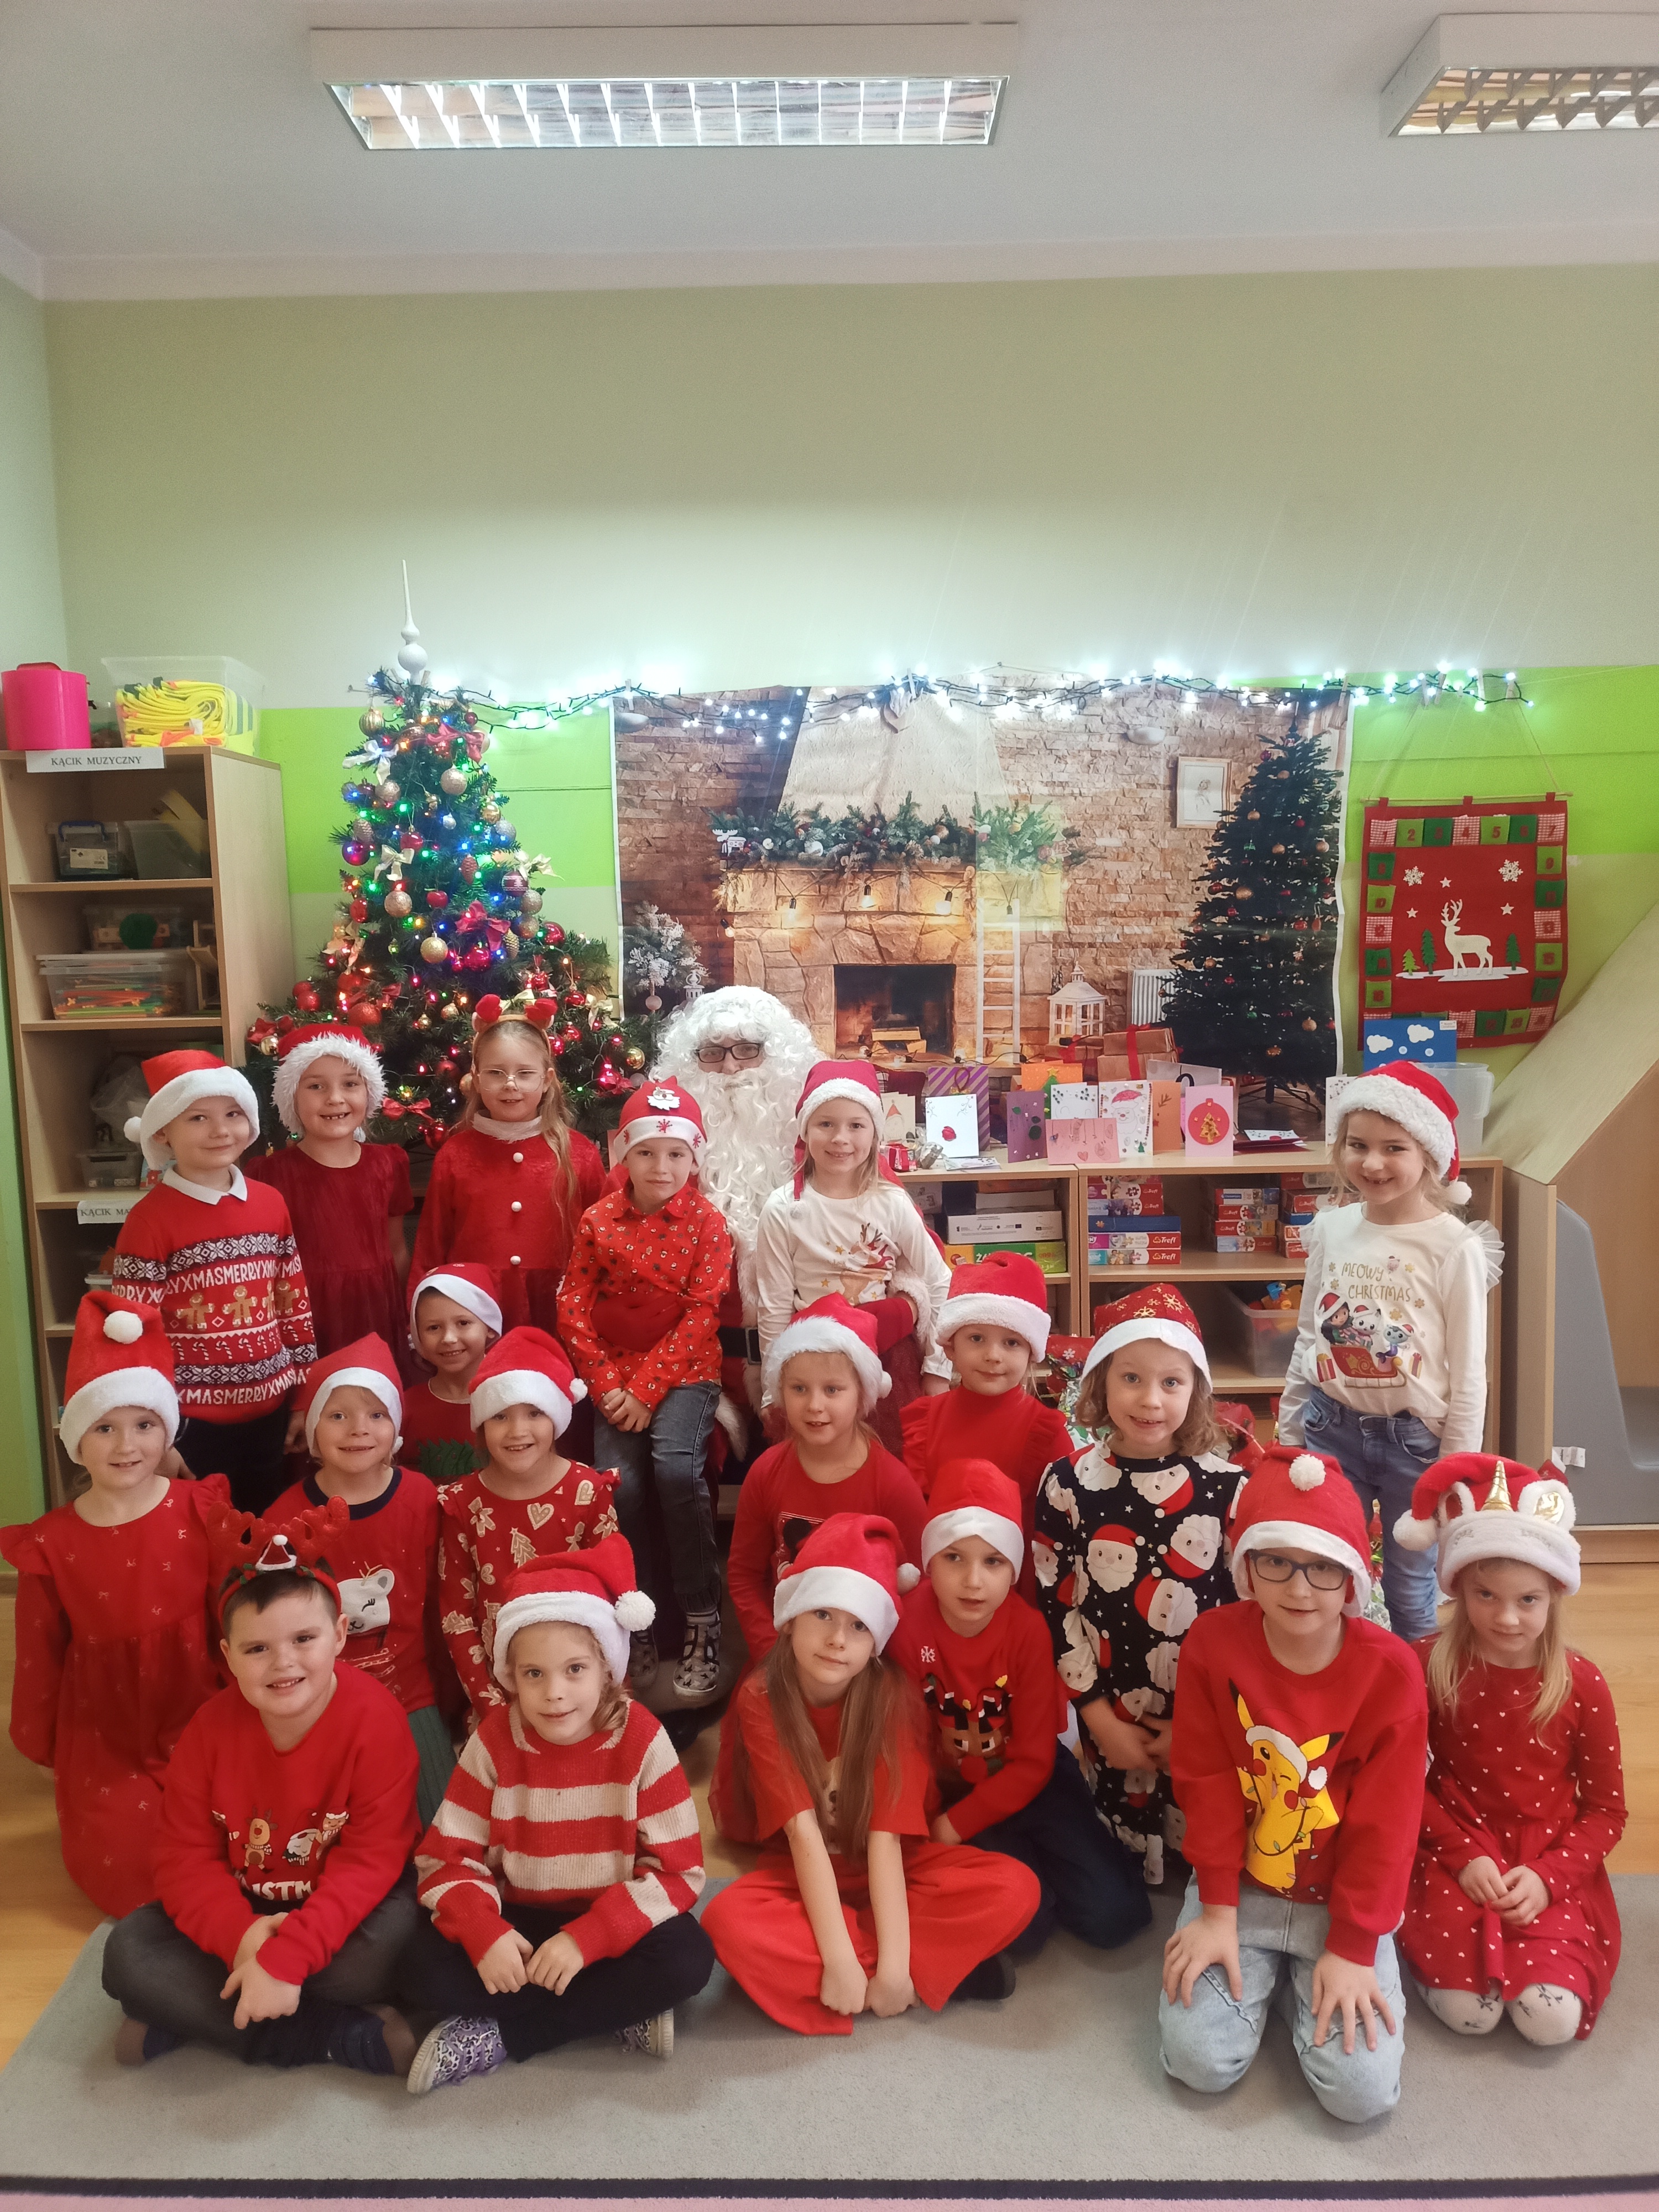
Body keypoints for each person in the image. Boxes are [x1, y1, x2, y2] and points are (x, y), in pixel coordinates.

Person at [101, 1500, 420, 2077]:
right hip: (247, 1908)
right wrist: (246, 1941)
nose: (283, 1663)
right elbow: (182, 1860)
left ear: (339, 1634)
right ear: (228, 1656)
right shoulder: (208, 1730)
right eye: (257, 1649)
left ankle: (200, 2014)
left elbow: (371, 1864)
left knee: (392, 1948)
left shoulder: (378, 1720)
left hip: (348, 1906)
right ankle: (329, 2036)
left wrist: (290, 1956)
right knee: (128, 1953)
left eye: (304, 1638)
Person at [1159, 1443, 1428, 2124]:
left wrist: (1354, 1947)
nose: (1300, 1588)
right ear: (1247, 1565)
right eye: (1276, 1561)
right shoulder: (1212, 1643)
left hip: (1339, 1903)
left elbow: (1389, 1824)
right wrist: (1217, 1910)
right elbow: (1205, 1779)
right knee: (1199, 2063)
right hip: (1240, 1890)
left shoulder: (1392, 1671)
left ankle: (1292, 1985)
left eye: (1323, 1566)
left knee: (1362, 2095)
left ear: (1353, 1573)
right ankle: (1275, 1982)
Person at [703, 1512, 1041, 2034]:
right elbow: (801, 1833)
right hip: (804, 1870)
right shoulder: (761, 1696)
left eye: (859, 1625)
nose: (838, 1639)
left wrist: (893, 1971)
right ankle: (916, 1971)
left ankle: (873, 1971)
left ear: (876, 1639)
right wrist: (841, 1959)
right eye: (822, 1614)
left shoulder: (891, 1696)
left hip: (897, 1865)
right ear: (790, 1618)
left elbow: (887, 1838)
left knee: (1016, 1887)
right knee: (724, 1922)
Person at [400, 1537, 716, 2091]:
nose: (554, 1694)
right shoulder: (493, 1740)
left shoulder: (643, 1739)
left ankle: (507, 2035)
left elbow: (678, 1872)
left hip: (608, 1926)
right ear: (510, 1676)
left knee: (687, 1958)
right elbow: (445, 1858)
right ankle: (615, 2009)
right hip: (519, 1923)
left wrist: (588, 1938)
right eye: (534, 1674)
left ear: (607, 1670)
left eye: (574, 1670)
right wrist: (484, 1932)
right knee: (417, 1965)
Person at [1, 1294, 226, 1917]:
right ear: (78, 1437)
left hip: (201, 1716)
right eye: (105, 1427)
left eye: (144, 1425)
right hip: (104, 1734)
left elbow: (232, 1615)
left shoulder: (200, 1509)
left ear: (167, 1431)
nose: (127, 1445)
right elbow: (39, 1656)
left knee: (239, 1846)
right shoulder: (51, 1543)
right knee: (133, 1876)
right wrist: (40, 1743)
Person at [1394, 1452, 1624, 2044]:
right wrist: (1461, 1854)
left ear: (1555, 1595)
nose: (1507, 1618)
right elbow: (1399, 1782)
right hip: (1452, 1844)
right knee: (1471, 2015)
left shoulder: (1583, 1684)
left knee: (1551, 2022)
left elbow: (1606, 1811)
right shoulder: (1425, 1665)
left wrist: (1550, 1878)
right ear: (1458, 1588)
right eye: (1486, 1594)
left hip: (1546, 1855)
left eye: (1528, 1600)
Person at [888, 1458, 1150, 1957]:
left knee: (1117, 1917)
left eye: (993, 1561)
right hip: (953, 1789)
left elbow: (1032, 1762)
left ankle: (1055, 1870)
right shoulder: (906, 1629)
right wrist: (940, 1824)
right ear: (929, 1561)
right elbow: (908, 1748)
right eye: (954, 1557)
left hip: (1033, 1780)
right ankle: (1034, 1881)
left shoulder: (1027, 1630)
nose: (973, 1581)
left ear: (1013, 1568)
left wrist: (957, 1830)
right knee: (1025, 1929)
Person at [1278, 1058, 1501, 1641]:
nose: (1372, 1164)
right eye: (1358, 1145)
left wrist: (1455, 1468)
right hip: (1331, 1427)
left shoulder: (1454, 1247)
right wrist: (1290, 1432)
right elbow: (1310, 1334)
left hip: (1415, 1444)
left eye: (1394, 1148)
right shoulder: (1332, 1229)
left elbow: (1469, 1372)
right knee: (1330, 1567)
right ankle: (1349, 1678)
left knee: (1409, 1584)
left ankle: (1415, 1687)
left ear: (1428, 1154)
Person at [1033, 1285, 1241, 1886]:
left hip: (1202, 1715)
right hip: (1110, 1708)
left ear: (1196, 1389)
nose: (1150, 1400)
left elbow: (1245, 1621)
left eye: (1171, 1382)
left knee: (1208, 1859)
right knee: (1116, 1869)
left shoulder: (1229, 1489)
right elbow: (1057, 1605)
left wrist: (1201, 1726)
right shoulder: (1067, 1483)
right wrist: (1099, 1720)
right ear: (1101, 1383)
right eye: (1131, 1378)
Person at [713, 1296, 926, 1841]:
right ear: (780, 1392)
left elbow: (917, 1583)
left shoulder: (890, 1481)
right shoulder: (767, 1473)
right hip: (786, 1652)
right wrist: (772, 1652)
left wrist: (873, 1660)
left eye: (833, 1390)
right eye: (799, 1389)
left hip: (864, 1659)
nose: (815, 1406)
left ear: (862, 1394)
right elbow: (743, 1575)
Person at [557, 1079, 731, 1702]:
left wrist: (646, 1391)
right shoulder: (598, 1220)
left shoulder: (708, 1223)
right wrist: (609, 1387)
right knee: (619, 1485)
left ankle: (702, 1614)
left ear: (694, 1158)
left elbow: (703, 1313)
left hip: (687, 1371)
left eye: (677, 1154)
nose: (662, 1167)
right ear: (623, 1155)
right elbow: (573, 1304)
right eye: (647, 1153)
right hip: (614, 1377)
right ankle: (640, 1615)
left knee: (676, 1471)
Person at [112, 1049, 315, 1514]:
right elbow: (133, 1340)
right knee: (199, 1531)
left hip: (271, 1412)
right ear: (163, 1131)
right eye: (198, 1118)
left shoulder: (270, 1203)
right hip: (190, 1424)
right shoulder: (149, 1221)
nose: (221, 1130)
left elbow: (293, 1306)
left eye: (233, 1114)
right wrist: (156, 1433)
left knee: (262, 1526)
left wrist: (303, 1397)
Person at [269, 1335, 458, 1825]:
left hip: (411, 1692)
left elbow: (441, 1599)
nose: (358, 1429)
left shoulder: (420, 1497)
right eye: (338, 1415)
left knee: (443, 1825)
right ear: (313, 1430)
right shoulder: (286, 1517)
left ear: (396, 1427)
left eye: (377, 1414)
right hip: (322, 1697)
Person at [650, 985, 819, 1447]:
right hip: (701, 1372)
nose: (729, 1068)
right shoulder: (660, 1160)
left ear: (779, 1059)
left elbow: (895, 1230)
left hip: (811, 1368)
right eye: (711, 1054)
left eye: (747, 1050)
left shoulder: (826, 1140)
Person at [755, 1058, 952, 1448]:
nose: (840, 1139)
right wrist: (771, 1389)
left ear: (875, 1132)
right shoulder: (782, 1209)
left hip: (888, 1355)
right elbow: (774, 1306)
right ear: (805, 1130)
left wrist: (938, 1368)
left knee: (895, 1454)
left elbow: (938, 1280)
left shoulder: (892, 1203)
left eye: (856, 1126)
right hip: (814, 1358)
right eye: (826, 1124)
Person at [437, 1327, 619, 1727]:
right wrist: (490, 1704)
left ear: (556, 1416)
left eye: (534, 1413)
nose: (517, 1431)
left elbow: (614, 1595)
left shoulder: (588, 1491)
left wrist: (599, 1690)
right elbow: (457, 1616)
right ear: (481, 1425)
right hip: (500, 1695)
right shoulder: (462, 1504)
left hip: (580, 1689)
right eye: (500, 1415)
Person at [410, 990, 604, 1339]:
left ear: (546, 1080)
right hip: (475, 1313)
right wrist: (421, 1324)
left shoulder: (580, 1154)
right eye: (496, 1073)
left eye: (525, 1073)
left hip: (561, 1308)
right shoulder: (455, 1155)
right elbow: (431, 1246)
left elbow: (605, 1241)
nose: (510, 1085)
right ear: (477, 1079)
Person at [899, 1251, 1073, 1598]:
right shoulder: (926, 1422)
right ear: (950, 1347)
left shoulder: (1045, 1432)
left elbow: (1060, 1528)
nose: (993, 1356)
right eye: (977, 1338)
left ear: (1031, 1352)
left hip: (1019, 1594)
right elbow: (915, 1520)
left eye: (1011, 1342)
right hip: (942, 1591)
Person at [245, 1024, 413, 1378]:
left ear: (369, 1091)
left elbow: (397, 1249)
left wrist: (405, 1314)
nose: (335, 1098)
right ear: (292, 1095)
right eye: (316, 1086)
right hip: (304, 1316)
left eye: (350, 1084)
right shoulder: (268, 1175)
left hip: (376, 1312)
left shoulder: (389, 1164)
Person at [400, 1266, 500, 1484]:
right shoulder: (405, 1408)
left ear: (490, 1327)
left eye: (463, 1323)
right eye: (434, 1328)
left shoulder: (513, 1401)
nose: (449, 1338)